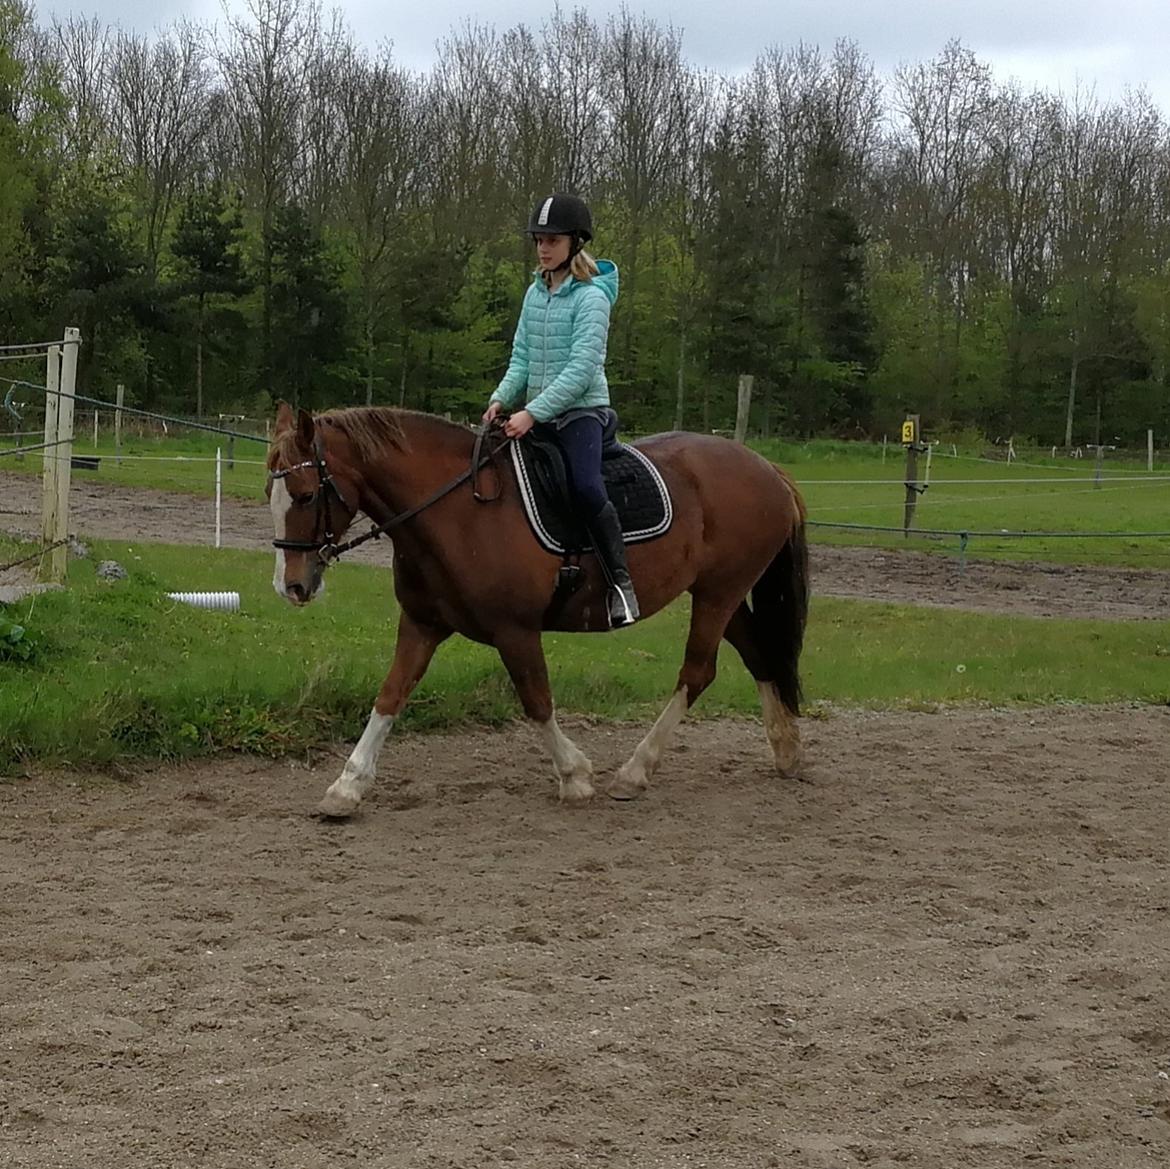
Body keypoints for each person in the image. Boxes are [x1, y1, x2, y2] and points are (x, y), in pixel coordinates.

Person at [483, 193, 640, 627]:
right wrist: (500, 398)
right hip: (535, 411)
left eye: (552, 241)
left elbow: (581, 369)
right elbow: (522, 359)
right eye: (538, 240)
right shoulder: (535, 295)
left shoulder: (592, 299)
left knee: (586, 487)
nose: (543, 249)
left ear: (575, 243)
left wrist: (531, 413)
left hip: (582, 413)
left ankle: (621, 585)